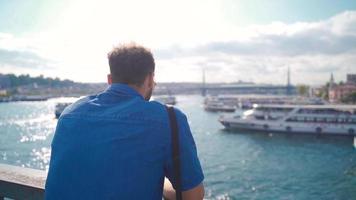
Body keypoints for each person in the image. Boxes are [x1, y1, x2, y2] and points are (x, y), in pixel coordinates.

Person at [45, 43, 205, 199]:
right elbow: (193, 196)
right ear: (150, 79)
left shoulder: (69, 114)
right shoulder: (168, 119)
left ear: (110, 80)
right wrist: (161, 183)